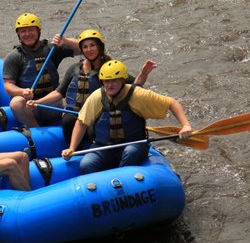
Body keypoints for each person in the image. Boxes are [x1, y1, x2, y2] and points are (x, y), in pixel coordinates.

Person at [27, 29, 156, 147]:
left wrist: (143, 74)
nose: (89, 49)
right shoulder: (74, 69)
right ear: (81, 50)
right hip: (74, 116)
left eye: (92, 45)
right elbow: (59, 93)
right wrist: (37, 102)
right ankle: (74, 150)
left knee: (94, 124)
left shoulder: (110, 68)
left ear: (100, 47)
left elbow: (135, 87)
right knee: (68, 119)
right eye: (85, 47)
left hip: (96, 116)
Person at [61, 60, 192, 175]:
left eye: (114, 81)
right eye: (106, 81)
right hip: (104, 147)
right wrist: (72, 148)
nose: (110, 85)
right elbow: (82, 122)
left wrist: (185, 125)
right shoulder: (97, 96)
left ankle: (121, 178)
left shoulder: (137, 95)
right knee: (86, 165)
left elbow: (171, 103)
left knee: (130, 153)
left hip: (134, 145)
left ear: (123, 80)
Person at [2, 12, 80, 127]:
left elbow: (84, 49)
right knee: (16, 102)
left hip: (54, 102)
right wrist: (22, 92)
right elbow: (8, 86)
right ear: (18, 34)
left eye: (31, 30)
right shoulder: (14, 56)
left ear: (38, 31)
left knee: (77, 96)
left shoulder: (51, 48)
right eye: (23, 31)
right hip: (31, 106)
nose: (27, 34)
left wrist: (66, 40)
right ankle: (36, 130)